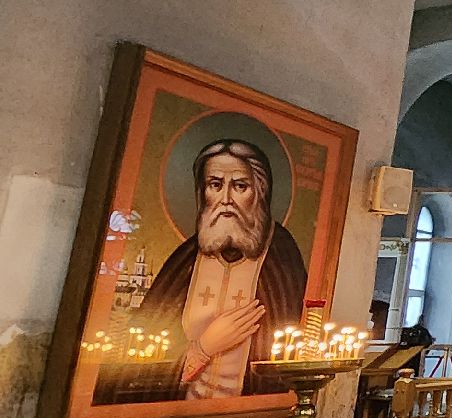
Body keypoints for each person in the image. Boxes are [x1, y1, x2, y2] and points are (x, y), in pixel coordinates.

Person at [100, 139, 308, 403]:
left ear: (260, 192)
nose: (226, 200)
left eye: (240, 186)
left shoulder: (281, 255)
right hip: (176, 412)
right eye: (215, 185)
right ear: (203, 192)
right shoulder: (185, 259)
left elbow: (292, 352)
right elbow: (138, 357)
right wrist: (204, 347)